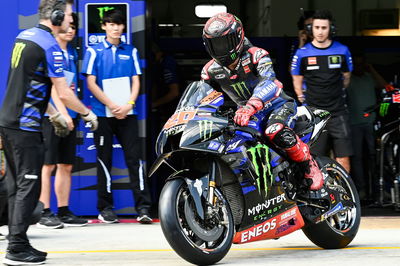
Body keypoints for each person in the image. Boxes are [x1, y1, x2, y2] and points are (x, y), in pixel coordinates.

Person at [0, 0, 98, 264]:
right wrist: (88, 114)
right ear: (55, 16)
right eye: (68, 15)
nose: (70, 21)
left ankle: (16, 240)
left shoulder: (23, 37)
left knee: (15, 185)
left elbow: (31, 84)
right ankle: (17, 248)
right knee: (28, 187)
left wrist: (54, 115)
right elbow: (65, 93)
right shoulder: (51, 47)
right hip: (26, 127)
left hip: (8, 122)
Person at [201, 13, 323, 190]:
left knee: (275, 130)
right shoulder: (209, 71)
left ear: (238, 37)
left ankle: (308, 163)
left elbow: (270, 82)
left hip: (277, 105)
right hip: (246, 115)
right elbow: (204, 98)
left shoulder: (256, 55)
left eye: (223, 42)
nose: (220, 48)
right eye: (215, 44)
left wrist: (250, 106)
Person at [81, 9, 152, 224]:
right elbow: (91, 82)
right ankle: (106, 208)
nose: (115, 27)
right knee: (104, 160)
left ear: (123, 27)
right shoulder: (93, 52)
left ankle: (143, 208)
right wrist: (111, 104)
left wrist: (128, 104)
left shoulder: (130, 51)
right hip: (103, 114)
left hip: (127, 113)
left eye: (119, 24)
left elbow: (136, 81)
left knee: (135, 160)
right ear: (104, 26)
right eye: (111, 23)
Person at [37, 12, 88, 229]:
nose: (70, 30)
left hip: (70, 116)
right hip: (52, 117)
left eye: (74, 27)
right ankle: (44, 211)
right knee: (47, 165)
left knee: (65, 165)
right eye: (68, 26)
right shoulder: (51, 50)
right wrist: (63, 114)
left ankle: (64, 210)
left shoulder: (72, 53)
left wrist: (73, 113)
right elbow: (55, 89)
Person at [291, 9, 353, 172]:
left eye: (324, 28)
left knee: (343, 156)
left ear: (331, 29)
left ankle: (346, 194)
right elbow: (297, 83)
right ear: (311, 29)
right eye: (316, 27)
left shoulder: (342, 50)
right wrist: (306, 103)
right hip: (315, 114)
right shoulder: (302, 53)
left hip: (338, 112)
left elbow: (346, 79)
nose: (320, 31)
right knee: (314, 158)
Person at [347, 53, 387, 199]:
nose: (358, 67)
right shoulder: (348, 80)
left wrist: (371, 69)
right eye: (355, 64)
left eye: (361, 64)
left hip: (371, 123)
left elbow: (385, 86)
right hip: (354, 124)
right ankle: (361, 190)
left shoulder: (369, 77)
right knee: (357, 158)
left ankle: (379, 190)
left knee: (376, 157)